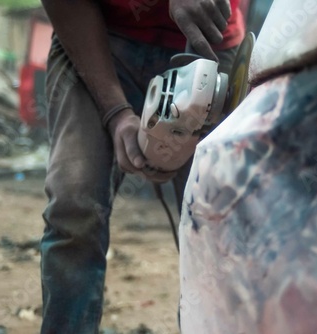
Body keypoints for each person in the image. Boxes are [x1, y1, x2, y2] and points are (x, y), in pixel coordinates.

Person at [39, 0, 244, 332]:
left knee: (219, 222)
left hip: (209, 40)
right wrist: (115, 113)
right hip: (98, 35)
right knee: (75, 204)